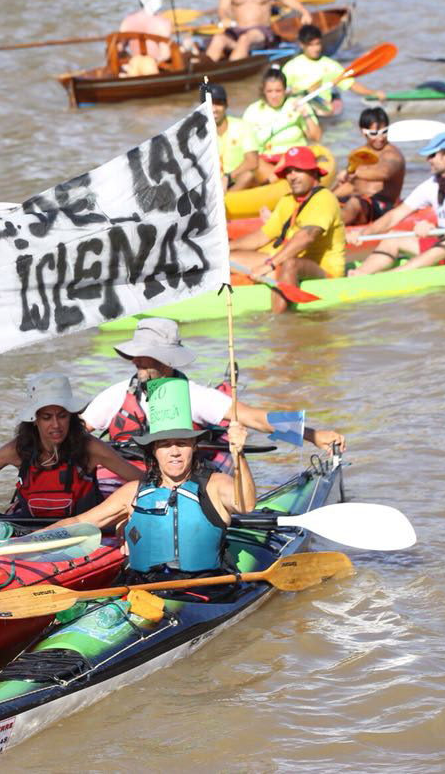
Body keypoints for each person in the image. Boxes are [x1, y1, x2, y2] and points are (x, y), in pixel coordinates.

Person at [81, 317, 347, 485]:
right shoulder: (116, 394)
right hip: (126, 474)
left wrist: (313, 435)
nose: (135, 360)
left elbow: (252, 417)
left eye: (144, 355)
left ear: (167, 359)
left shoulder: (195, 396)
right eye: (135, 354)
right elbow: (75, 431)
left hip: (180, 477)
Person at [60, 378, 255, 580]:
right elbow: (80, 521)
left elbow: (246, 505)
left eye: (182, 443)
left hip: (204, 589)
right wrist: (37, 540)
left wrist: (239, 455)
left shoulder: (216, 484)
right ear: (154, 450)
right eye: (165, 445)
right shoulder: (132, 492)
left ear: (194, 447)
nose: (174, 452)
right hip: (144, 588)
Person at [0, 373, 143, 516]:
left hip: (85, 531)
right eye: (47, 417)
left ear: (71, 416)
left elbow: (142, 482)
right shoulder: (17, 450)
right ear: (34, 420)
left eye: (62, 416)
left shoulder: (90, 448)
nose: (56, 425)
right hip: (30, 529)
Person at [348, 132, 445, 274]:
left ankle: (391, 277)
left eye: (432, 155)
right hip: (444, 242)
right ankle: (359, 275)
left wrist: (436, 231)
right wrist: (361, 234)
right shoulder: (432, 184)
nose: (428, 160)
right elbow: (394, 216)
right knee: (392, 237)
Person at [230, 146, 346, 312]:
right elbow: (262, 236)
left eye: (298, 170)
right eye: (288, 171)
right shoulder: (287, 200)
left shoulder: (324, 199)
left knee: (289, 264)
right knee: (227, 258)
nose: (292, 176)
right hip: (282, 261)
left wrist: (270, 265)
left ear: (314, 173)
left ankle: (280, 321)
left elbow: (306, 237)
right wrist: (226, 247)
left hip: (324, 270)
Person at [281, 24, 386, 116]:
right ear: (302, 45)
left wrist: (373, 93)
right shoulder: (291, 66)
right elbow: (280, 90)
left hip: (324, 108)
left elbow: (352, 85)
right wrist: (299, 92)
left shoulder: (331, 65)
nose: (316, 48)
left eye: (318, 44)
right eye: (311, 45)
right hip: (300, 107)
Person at [243, 67, 322, 182]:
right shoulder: (253, 110)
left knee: (289, 155)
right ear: (263, 91)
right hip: (265, 160)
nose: (274, 96)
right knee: (252, 160)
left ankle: (271, 181)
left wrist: (305, 115)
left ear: (285, 90)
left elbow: (316, 137)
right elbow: (244, 143)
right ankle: (272, 181)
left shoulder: (297, 105)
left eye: (278, 91)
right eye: (270, 91)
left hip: (292, 159)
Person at [331, 107, 406, 225]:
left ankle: (330, 231)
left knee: (355, 202)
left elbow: (385, 173)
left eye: (384, 131)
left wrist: (354, 173)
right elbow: (351, 186)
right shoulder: (357, 154)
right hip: (358, 202)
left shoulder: (393, 155)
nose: (380, 138)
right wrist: (328, 196)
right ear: (363, 132)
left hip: (382, 206)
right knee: (324, 200)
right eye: (374, 133)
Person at [202, 83, 258, 191]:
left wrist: (228, 177)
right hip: (211, 184)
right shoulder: (198, 133)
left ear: (226, 105)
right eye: (209, 105)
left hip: (235, 180)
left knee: (248, 175)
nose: (214, 109)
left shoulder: (243, 126)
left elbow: (252, 161)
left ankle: (226, 197)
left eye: (218, 103)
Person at [117, 7, 176, 71]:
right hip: (156, 68)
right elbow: (165, 55)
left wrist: (129, 61)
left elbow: (119, 48)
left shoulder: (127, 21)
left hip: (134, 66)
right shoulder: (163, 22)